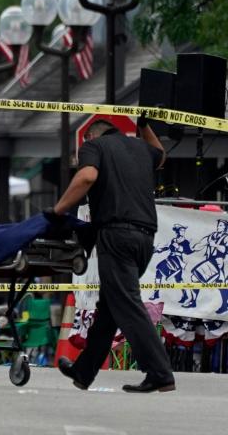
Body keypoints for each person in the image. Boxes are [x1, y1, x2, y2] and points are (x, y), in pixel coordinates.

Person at [49, 116, 175, 393]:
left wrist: (58, 210)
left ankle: (160, 373)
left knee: (127, 304)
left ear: (90, 137)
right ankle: (84, 371)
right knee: (109, 309)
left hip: (116, 236)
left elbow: (87, 176)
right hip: (144, 239)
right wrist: (144, 126)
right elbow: (161, 155)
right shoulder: (140, 147)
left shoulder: (95, 147)